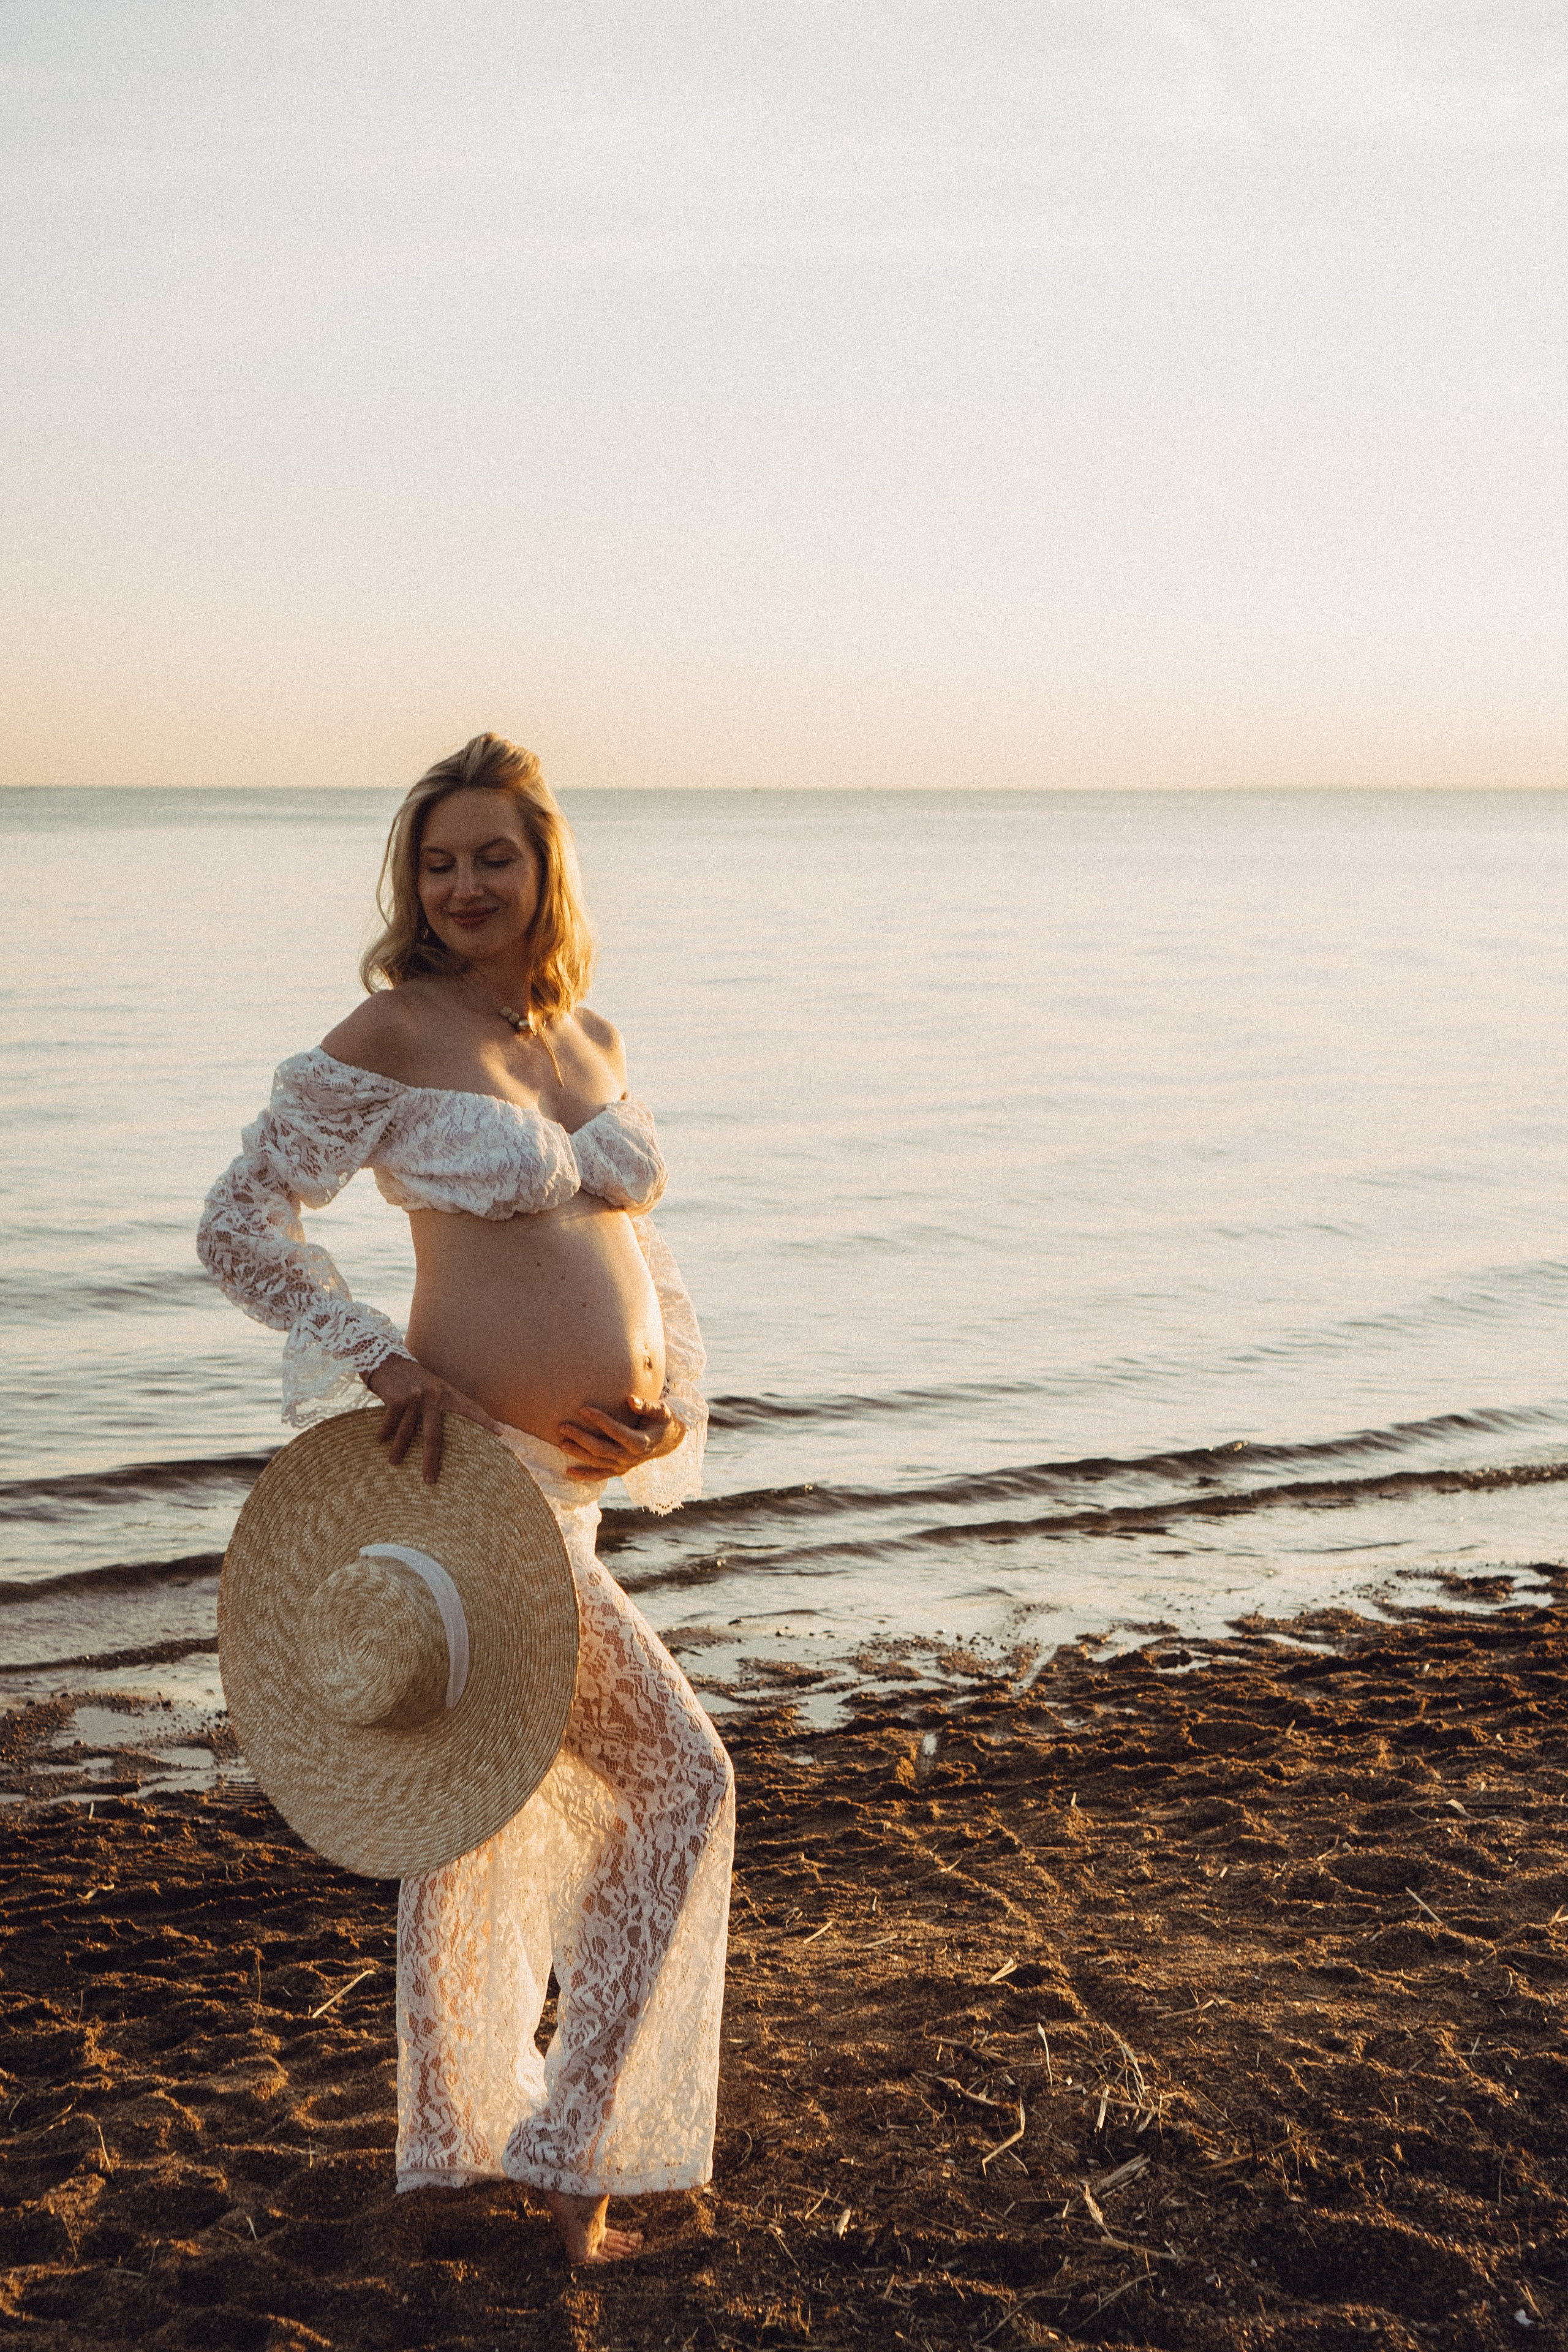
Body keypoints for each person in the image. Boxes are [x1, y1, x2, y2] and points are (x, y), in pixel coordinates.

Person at [197, 732, 734, 2263]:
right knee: (683, 1787)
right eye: (437, 861)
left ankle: (453, 2157)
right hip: (469, 1487)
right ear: (411, 882)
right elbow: (242, 1224)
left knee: (482, 1825)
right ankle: (571, 2166)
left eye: (492, 854)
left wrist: (666, 1399)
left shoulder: (587, 1034)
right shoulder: (393, 1030)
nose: (464, 882)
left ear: (541, 864)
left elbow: (650, 1257)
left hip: (574, 1484)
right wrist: (380, 1365)